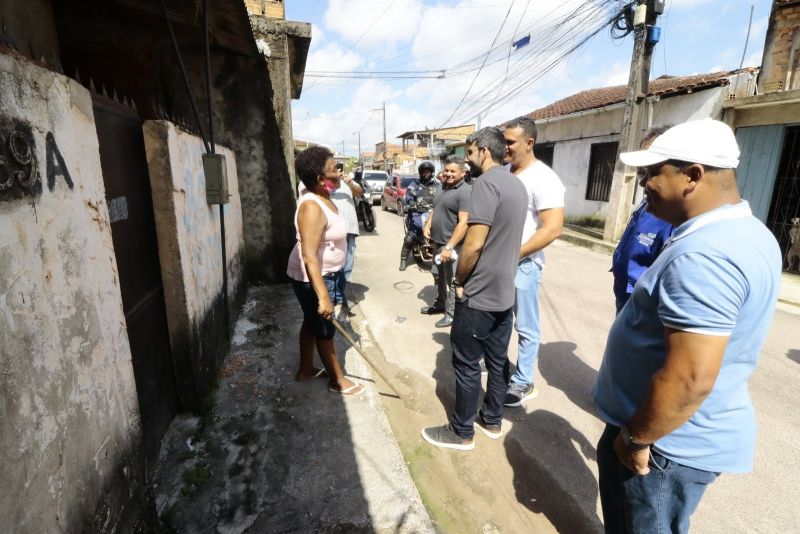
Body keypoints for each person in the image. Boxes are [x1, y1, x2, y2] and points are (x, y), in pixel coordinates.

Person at [591, 119, 781, 532]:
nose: (643, 184)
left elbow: (690, 377)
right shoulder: (747, 232)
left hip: (662, 447)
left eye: (652, 173)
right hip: (664, 434)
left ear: (693, 176)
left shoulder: (705, 256)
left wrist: (637, 438)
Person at [421, 127, 527, 450]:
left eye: (469, 154)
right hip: (504, 293)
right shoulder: (517, 185)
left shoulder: (485, 185)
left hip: (480, 293)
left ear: (484, 151)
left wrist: (459, 281)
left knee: (466, 364)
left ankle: (461, 431)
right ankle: (492, 420)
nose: (467, 161)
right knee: (497, 361)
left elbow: (474, 244)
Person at [286, 146, 365, 396]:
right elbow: (309, 255)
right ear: (321, 179)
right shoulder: (311, 206)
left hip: (327, 273)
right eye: (333, 169)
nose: (338, 173)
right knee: (323, 329)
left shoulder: (324, 195)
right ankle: (337, 380)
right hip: (314, 278)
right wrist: (322, 297)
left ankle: (306, 369)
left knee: (311, 323)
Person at [502, 117, 565, 408]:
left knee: (525, 326)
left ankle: (523, 381)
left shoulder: (544, 178)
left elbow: (552, 228)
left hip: (523, 266)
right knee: (498, 321)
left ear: (529, 143)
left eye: (510, 142)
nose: (505, 148)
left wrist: (516, 254)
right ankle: (500, 369)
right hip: (499, 264)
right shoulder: (506, 173)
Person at [611, 126, 674, 314]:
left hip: (641, 304)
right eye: (642, 172)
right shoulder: (650, 200)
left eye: (652, 172)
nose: (643, 181)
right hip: (626, 294)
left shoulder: (673, 215)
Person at [421, 155, 472, 328]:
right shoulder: (442, 186)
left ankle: (451, 314)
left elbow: (464, 222)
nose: (448, 174)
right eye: (446, 170)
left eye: (453, 171)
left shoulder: (465, 192)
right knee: (437, 275)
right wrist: (428, 223)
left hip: (452, 245)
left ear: (462, 173)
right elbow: (437, 207)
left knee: (452, 281)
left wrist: (449, 247)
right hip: (438, 241)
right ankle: (440, 303)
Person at [330, 162, 363, 311]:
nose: (338, 171)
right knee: (334, 265)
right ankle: (335, 296)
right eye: (335, 169)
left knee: (347, 265)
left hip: (350, 228)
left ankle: (339, 294)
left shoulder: (348, 181)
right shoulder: (326, 183)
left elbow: (359, 192)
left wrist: (349, 182)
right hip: (333, 230)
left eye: (339, 169)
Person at [399, 160, 441, 271]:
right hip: (417, 214)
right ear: (421, 173)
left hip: (433, 213)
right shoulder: (415, 184)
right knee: (410, 237)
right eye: (424, 172)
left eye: (428, 172)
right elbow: (408, 196)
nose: (426, 174)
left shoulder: (438, 184)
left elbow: (444, 196)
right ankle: (403, 260)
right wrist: (412, 203)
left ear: (432, 173)